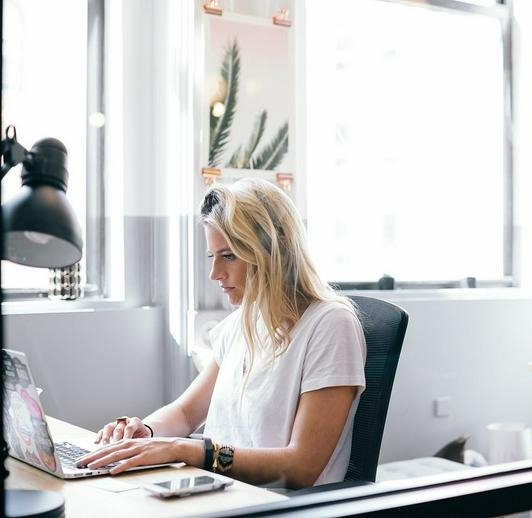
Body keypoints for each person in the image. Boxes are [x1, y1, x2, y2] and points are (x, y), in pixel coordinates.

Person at [77, 178, 367, 488]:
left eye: (228, 256)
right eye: (212, 256)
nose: (215, 274)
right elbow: (187, 413)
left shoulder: (331, 325)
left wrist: (186, 450)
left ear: (274, 250)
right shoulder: (241, 323)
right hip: (224, 495)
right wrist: (145, 433)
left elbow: (301, 466)